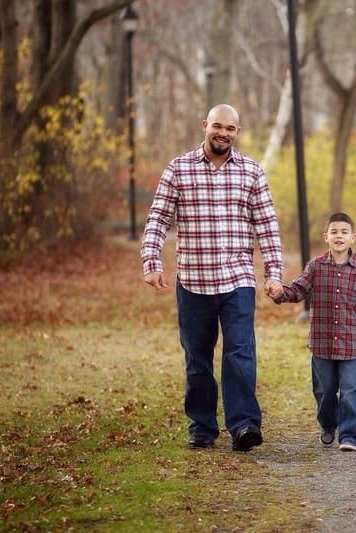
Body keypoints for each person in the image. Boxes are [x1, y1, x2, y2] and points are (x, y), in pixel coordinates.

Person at [140, 104, 284, 452]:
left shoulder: (251, 172)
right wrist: (151, 261)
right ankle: (202, 426)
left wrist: (274, 273)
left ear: (238, 132)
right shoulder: (178, 169)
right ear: (205, 125)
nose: (223, 133)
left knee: (240, 353)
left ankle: (244, 425)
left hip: (237, 280)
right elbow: (158, 218)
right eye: (217, 126)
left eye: (231, 128)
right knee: (198, 359)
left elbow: (267, 226)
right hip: (193, 281)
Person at [268, 212, 356, 452]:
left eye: (344, 232)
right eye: (334, 232)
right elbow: (298, 289)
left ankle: (349, 434)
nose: (339, 236)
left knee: (351, 391)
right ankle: (328, 425)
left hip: (351, 344)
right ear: (326, 237)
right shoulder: (316, 267)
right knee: (324, 391)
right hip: (322, 343)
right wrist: (280, 293)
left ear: (353, 238)